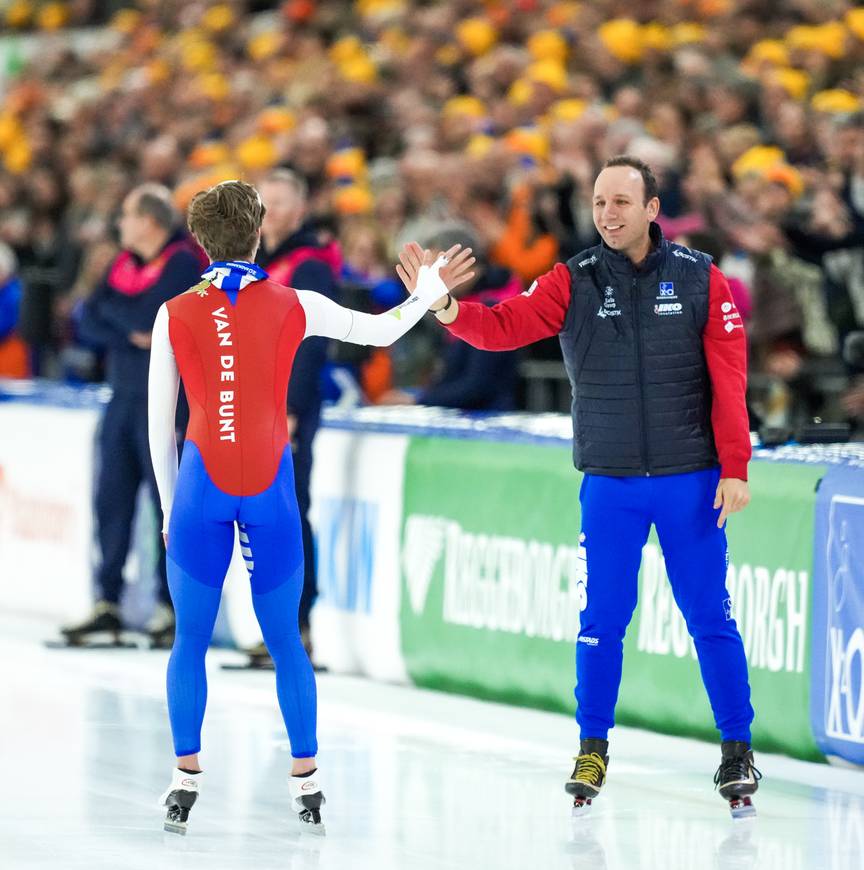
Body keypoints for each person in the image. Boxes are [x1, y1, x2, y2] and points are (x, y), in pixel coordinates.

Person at [399, 155, 761, 818]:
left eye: (622, 202)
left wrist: (735, 467)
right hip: (611, 483)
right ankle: (592, 744)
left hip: (690, 480)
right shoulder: (574, 280)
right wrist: (444, 306)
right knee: (602, 622)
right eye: (599, 202)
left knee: (711, 618)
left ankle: (737, 748)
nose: (608, 214)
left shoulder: (703, 280)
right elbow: (503, 326)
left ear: (654, 209)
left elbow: (730, 380)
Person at [148, 180, 474, 834]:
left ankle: (185, 775)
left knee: (189, 640)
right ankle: (307, 777)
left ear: (199, 240)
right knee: (286, 644)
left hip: (199, 486)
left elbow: (160, 422)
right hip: (269, 485)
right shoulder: (296, 302)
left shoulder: (172, 311)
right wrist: (428, 296)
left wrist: (166, 506)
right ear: (260, 232)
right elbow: (383, 333)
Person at [60, 184, 205, 648]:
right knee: (112, 502)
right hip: (121, 396)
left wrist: (118, 319)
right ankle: (108, 603)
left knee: (170, 505)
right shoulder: (122, 265)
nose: (119, 223)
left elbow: (153, 318)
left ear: (149, 221)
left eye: (125, 214)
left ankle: (170, 606)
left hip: (166, 401)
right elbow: (87, 320)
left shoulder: (182, 262)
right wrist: (129, 326)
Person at [255, 168, 342, 662]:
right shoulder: (255, 263)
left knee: (288, 513)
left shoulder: (309, 265)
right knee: (265, 518)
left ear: (300, 210)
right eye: (263, 203)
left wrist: (290, 410)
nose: (269, 213)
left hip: (286, 408)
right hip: (253, 404)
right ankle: (278, 625)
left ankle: (298, 625)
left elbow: (311, 343)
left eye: (280, 202)